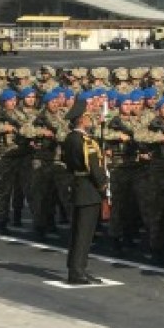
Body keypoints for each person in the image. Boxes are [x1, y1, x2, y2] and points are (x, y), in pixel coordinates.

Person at [61, 99, 106, 284]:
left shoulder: (69, 138)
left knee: (78, 232)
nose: (90, 119)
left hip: (78, 185)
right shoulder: (84, 141)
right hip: (89, 189)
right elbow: (94, 167)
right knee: (84, 234)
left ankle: (76, 267)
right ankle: (78, 271)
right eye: (88, 116)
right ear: (81, 120)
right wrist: (103, 186)